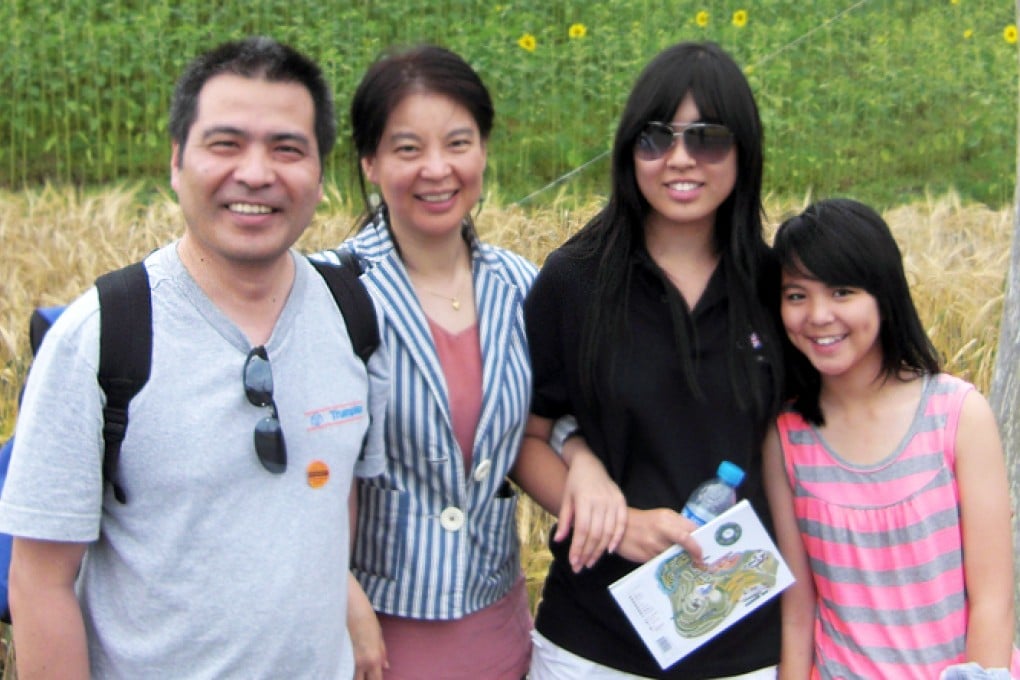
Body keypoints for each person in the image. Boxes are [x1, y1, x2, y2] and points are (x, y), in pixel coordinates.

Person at [0, 37, 389, 678]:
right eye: (225, 144)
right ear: (177, 162)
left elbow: (324, 497)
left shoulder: (351, 314)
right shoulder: (102, 337)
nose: (257, 173)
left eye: (287, 148)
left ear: (320, 175)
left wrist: (347, 605)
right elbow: (39, 579)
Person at [317, 45, 615, 680]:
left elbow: (549, 411)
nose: (437, 169)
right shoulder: (329, 294)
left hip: (498, 628)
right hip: (369, 639)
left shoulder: (518, 285)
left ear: (483, 150)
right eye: (406, 149)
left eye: (458, 142)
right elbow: (293, 475)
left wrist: (583, 456)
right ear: (368, 161)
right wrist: (341, 600)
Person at [522, 41, 785, 679]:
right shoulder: (574, 281)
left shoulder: (779, 288)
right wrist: (619, 522)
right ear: (627, 150)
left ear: (743, 150)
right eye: (655, 138)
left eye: (708, 137)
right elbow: (526, 437)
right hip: (593, 644)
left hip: (746, 646)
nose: (680, 159)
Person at [763, 198, 1020, 679]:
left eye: (841, 292)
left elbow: (992, 602)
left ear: (884, 294)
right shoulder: (786, 436)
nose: (817, 315)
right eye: (796, 295)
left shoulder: (958, 415)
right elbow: (799, 610)